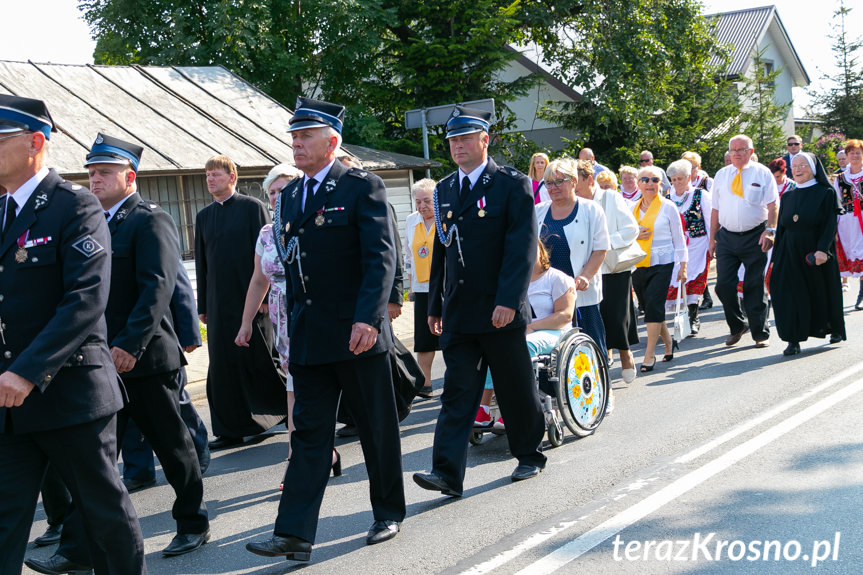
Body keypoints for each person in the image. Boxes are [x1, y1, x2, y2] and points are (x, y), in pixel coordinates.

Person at [36, 133, 212, 572]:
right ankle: (76, 549)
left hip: (146, 358)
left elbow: (157, 289)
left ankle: (193, 521)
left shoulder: (149, 220)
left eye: (104, 173)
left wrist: (130, 345)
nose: (94, 180)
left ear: (129, 176)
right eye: (91, 173)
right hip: (101, 363)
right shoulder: (91, 221)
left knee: (173, 447)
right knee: (94, 461)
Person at [245, 97, 405, 562]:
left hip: (358, 334)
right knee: (310, 435)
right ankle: (293, 533)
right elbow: (294, 270)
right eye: (293, 136)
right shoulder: (291, 196)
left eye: (305, 136)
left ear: (331, 141)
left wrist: (369, 318)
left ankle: (387, 512)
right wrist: (290, 332)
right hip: (311, 336)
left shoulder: (362, 186)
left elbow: (381, 258)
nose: (296, 143)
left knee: (376, 429)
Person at [0, 95, 145, 575]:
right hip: (9, 403)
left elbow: (84, 300)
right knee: (4, 520)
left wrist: (25, 371)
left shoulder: (75, 206)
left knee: (103, 514)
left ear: (35, 143)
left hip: (69, 394)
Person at [413, 105, 547, 498]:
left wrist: (509, 300)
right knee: (457, 392)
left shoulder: (510, 184)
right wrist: (435, 304)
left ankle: (529, 454)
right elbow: (443, 250)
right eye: (452, 140)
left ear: (484, 140)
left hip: (500, 309)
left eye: (465, 139)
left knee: (514, 387)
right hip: (460, 311)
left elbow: (521, 249)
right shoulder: (444, 190)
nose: (457, 146)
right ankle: (446, 474)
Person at [235, 163, 341, 488]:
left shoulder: (314, 226)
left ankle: (315, 453)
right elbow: (258, 280)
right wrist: (246, 322)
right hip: (283, 320)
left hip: (317, 316)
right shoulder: (267, 234)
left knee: (322, 389)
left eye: (283, 190)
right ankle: (305, 455)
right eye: (272, 192)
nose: (277, 196)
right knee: (294, 390)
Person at [196, 155, 287, 449]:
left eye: (217, 174)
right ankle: (229, 428)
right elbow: (202, 263)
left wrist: (264, 299)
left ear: (232, 177)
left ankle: (280, 411)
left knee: (260, 361)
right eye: (208, 175)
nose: (211, 179)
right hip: (219, 303)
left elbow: (268, 256)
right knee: (222, 365)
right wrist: (203, 305)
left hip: (253, 300)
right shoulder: (203, 216)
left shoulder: (252, 208)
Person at [120, 260, 211, 492]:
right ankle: (138, 470)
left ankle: (197, 448)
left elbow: (178, 283)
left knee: (174, 402)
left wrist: (190, 332)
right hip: (120, 341)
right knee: (128, 407)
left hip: (161, 340)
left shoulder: (149, 226)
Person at [476, 239, 577, 425]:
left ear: (540, 251)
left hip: (554, 332)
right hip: (522, 331)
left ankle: (513, 407)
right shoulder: (513, 281)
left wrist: (531, 327)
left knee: (523, 345)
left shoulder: (557, 278)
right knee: (492, 347)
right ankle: (482, 409)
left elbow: (565, 315)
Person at [771, 153, 845, 356]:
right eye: (794, 166)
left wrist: (822, 249)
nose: (798, 169)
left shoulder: (825, 192)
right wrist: (776, 258)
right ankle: (792, 339)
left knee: (820, 290)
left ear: (813, 168)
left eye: (803, 165)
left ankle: (833, 327)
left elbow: (830, 224)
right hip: (789, 250)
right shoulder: (787, 196)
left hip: (815, 249)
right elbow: (782, 229)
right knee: (787, 293)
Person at [709, 134, 779, 348]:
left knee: (753, 285)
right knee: (723, 286)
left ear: (751, 151)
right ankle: (738, 325)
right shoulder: (721, 175)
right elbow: (715, 209)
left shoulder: (763, 173)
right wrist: (712, 238)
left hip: (755, 236)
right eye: (733, 150)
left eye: (741, 149)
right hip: (727, 237)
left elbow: (773, 205)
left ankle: (760, 333)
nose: (737, 153)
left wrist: (770, 231)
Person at [575, 161, 639, 384]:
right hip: (588, 270)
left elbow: (632, 229)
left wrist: (605, 244)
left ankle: (625, 354)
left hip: (613, 267)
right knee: (598, 316)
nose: (572, 186)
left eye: (576, 180)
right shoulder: (575, 204)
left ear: (589, 179)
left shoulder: (610, 198)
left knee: (617, 316)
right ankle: (602, 362)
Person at [537, 158, 609, 354]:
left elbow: (600, 249)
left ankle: (602, 384)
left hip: (581, 291)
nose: (554, 187)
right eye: (549, 183)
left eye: (560, 181)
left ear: (574, 181)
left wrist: (585, 276)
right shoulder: (537, 211)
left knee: (591, 347)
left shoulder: (591, 209)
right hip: (548, 294)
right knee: (554, 352)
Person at [631, 165, 687, 372]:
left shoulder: (668, 206)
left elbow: (679, 239)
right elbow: (624, 235)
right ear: (638, 184)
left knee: (655, 305)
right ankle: (669, 343)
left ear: (661, 184)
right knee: (650, 308)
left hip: (663, 263)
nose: (649, 184)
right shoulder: (632, 208)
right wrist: (635, 234)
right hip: (638, 263)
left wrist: (683, 265)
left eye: (654, 180)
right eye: (644, 180)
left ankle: (649, 354)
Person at [664, 159, 712, 336]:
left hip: (698, 245)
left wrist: (712, 243)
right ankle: (681, 317)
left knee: (694, 282)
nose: (677, 183)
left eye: (680, 179)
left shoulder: (701, 195)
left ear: (689, 177)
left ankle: (693, 318)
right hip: (675, 248)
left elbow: (709, 221)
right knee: (676, 281)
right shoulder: (667, 199)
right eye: (673, 179)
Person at [404, 178, 440, 397]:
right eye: (418, 201)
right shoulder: (411, 221)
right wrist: (411, 287)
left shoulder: (446, 217)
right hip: (422, 287)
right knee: (424, 337)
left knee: (450, 334)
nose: (422, 206)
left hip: (445, 287)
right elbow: (408, 257)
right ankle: (425, 383)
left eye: (426, 200)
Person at [833, 139, 863, 310]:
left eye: (858, 152)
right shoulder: (841, 178)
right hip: (848, 222)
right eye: (851, 153)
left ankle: (862, 293)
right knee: (854, 253)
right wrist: (835, 226)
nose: (855, 156)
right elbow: (836, 201)